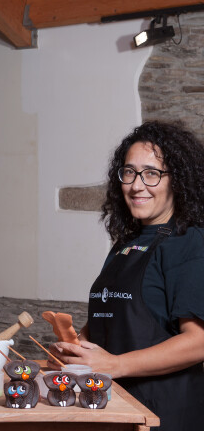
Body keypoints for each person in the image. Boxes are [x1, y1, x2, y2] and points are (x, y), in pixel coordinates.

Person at [49, 121, 204, 430]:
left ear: (178, 181)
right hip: (115, 407)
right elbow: (117, 315)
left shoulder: (187, 243)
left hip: (165, 413)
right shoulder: (127, 243)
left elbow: (199, 341)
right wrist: (77, 346)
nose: (136, 185)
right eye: (129, 172)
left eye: (151, 173)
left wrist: (115, 365)